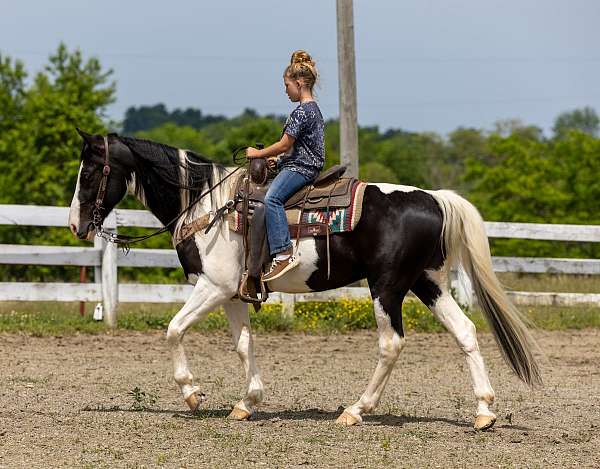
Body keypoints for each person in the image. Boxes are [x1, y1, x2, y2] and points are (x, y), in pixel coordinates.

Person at [246, 50, 325, 282]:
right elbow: (299, 147)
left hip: (302, 168)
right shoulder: (315, 110)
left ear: (299, 84)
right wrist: (278, 162)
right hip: (305, 163)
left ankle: (283, 253)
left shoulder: (301, 112)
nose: (285, 89)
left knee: (272, 199)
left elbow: (284, 144)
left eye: (287, 85)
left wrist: (257, 154)